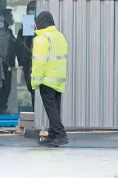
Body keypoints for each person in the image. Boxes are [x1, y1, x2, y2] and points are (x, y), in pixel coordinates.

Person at [31, 10, 69, 147]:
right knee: (55, 108)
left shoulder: (41, 39)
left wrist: (35, 81)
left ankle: (60, 134)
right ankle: (53, 135)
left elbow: (39, 62)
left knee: (50, 108)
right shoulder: (60, 36)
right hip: (58, 79)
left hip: (46, 79)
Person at [0, 9, 18, 114]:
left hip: (6, 63)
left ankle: (2, 108)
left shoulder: (7, 31)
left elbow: (5, 49)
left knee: (5, 88)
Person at [17, 0, 37, 111]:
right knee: (31, 88)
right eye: (30, 10)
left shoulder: (42, 28)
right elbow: (19, 47)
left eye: (33, 9)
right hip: (28, 63)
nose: (31, 12)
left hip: (39, 64)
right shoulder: (24, 30)